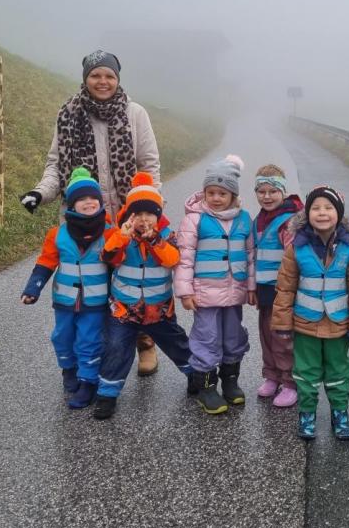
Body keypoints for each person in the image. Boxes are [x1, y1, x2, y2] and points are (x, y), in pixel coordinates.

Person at [19, 49, 162, 376]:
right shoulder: (68, 114)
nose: (103, 81)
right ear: (85, 78)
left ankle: (144, 345)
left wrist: (149, 209)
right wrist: (39, 194)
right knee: (93, 296)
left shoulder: (134, 114)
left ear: (118, 79)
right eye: (96, 75)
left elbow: (149, 165)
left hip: (127, 220)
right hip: (84, 225)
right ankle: (93, 363)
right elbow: (56, 166)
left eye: (109, 75)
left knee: (131, 288)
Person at [272, 185, 349, 441]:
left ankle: (340, 414)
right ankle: (307, 414)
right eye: (316, 208)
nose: (322, 213)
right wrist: (282, 323)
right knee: (306, 372)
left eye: (328, 208)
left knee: (339, 371)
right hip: (305, 323)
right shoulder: (297, 248)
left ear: (338, 213)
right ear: (307, 214)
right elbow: (285, 287)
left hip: (339, 325)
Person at [92, 172, 192, 420]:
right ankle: (107, 394)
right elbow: (108, 258)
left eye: (150, 214)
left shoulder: (166, 235)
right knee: (116, 347)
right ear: (129, 215)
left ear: (158, 216)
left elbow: (173, 259)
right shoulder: (121, 235)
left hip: (159, 309)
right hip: (124, 309)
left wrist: (155, 241)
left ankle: (199, 378)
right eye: (138, 214)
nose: (144, 219)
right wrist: (121, 237)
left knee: (178, 343)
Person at [20, 168, 111, 409]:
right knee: (62, 337)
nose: (88, 202)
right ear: (71, 205)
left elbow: (120, 262)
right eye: (81, 199)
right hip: (65, 301)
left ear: (100, 202)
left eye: (93, 198)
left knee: (89, 340)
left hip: (96, 302)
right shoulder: (57, 235)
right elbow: (45, 263)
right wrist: (33, 288)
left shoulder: (110, 233)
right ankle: (68, 369)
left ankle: (88, 381)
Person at [174, 154, 256, 415]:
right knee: (206, 339)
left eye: (222, 193)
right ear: (204, 193)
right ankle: (206, 388)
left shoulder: (244, 219)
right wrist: (185, 292)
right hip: (205, 294)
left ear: (233, 195)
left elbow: (251, 255)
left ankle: (230, 382)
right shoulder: (195, 220)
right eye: (211, 192)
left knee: (233, 337)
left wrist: (251, 286)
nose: (216, 198)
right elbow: (184, 259)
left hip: (235, 292)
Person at [251, 164, 304, 408]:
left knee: (283, 338)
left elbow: (293, 260)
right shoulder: (259, 220)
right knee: (266, 335)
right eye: (261, 191)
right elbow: (253, 255)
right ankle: (271, 376)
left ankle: (290, 382)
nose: (267, 196)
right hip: (265, 290)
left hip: (282, 291)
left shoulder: (288, 222)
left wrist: (289, 292)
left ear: (283, 192)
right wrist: (251, 287)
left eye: (272, 191)